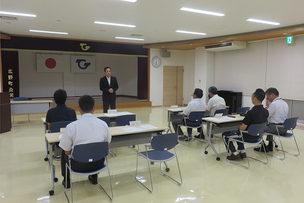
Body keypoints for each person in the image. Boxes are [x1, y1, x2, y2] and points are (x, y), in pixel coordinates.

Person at [59, 95, 111, 188]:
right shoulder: (103, 124)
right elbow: (107, 146)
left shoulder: (71, 127)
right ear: (94, 108)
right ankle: (94, 177)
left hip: (78, 165)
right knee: (95, 149)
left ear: (79, 108)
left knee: (63, 153)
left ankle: (66, 181)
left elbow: (67, 151)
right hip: (98, 163)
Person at [222, 88, 269, 160]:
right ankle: (242, 152)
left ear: (255, 98)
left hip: (248, 137)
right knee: (239, 132)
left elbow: (243, 127)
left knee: (226, 135)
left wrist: (238, 128)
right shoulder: (266, 111)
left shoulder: (251, 112)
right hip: (258, 137)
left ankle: (234, 153)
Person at [254, 87, 288, 152]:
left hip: (276, 128)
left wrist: (267, 106)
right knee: (270, 125)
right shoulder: (284, 103)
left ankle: (263, 146)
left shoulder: (274, 104)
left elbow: (266, 115)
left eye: (267, 96)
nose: (267, 98)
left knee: (259, 128)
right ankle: (270, 145)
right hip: (284, 128)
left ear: (272, 95)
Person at [46, 89, 77, 158]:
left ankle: (57, 151)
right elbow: (74, 125)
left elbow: (49, 126)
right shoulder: (72, 111)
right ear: (66, 99)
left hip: (55, 135)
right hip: (69, 136)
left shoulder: (50, 112)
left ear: (54, 99)